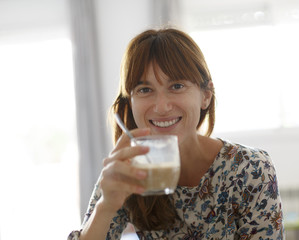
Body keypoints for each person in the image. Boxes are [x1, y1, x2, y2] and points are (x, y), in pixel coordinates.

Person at [68, 27, 284, 240]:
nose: (161, 107)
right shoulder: (128, 170)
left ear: (206, 96)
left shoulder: (251, 169)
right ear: (130, 102)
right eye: (145, 90)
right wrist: (105, 206)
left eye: (177, 86)